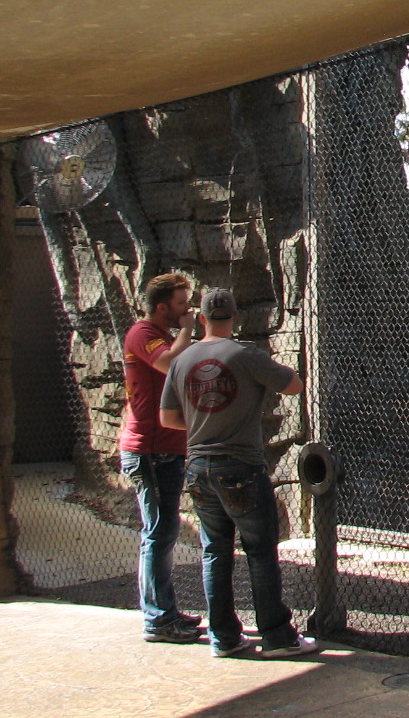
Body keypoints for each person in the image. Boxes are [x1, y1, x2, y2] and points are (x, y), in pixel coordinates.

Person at [160, 287, 317, 658]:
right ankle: (277, 636)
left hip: (198, 466)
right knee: (260, 550)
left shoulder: (182, 361)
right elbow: (294, 386)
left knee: (215, 551)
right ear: (235, 318)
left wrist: (206, 423)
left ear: (201, 318)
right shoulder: (246, 355)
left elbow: (167, 417)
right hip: (240, 465)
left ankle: (224, 637)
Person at [119, 271, 203, 644]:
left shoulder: (164, 336)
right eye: (181, 304)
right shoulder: (143, 333)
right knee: (157, 532)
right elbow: (168, 363)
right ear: (161, 307)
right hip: (149, 451)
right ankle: (157, 619)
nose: (187, 310)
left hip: (167, 449)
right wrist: (187, 331)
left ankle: (165, 611)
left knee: (165, 531)